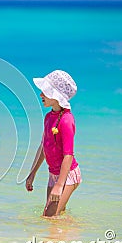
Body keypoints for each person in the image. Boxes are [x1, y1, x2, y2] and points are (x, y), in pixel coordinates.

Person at [26, 70, 82, 217]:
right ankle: (69, 233)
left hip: (68, 175)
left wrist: (59, 185)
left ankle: (60, 237)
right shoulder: (48, 117)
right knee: (56, 216)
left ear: (56, 95)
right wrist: (32, 174)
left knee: (49, 216)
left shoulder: (66, 120)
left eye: (45, 91)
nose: (41, 95)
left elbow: (68, 155)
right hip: (54, 175)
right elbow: (44, 147)